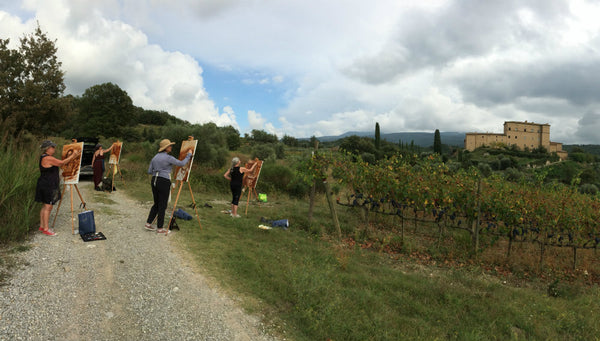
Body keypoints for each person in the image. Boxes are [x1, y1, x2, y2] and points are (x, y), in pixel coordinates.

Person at [145, 139, 192, 233]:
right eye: (170, 146)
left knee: (156, 203)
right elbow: (181, 163)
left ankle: (148, 224)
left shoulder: (155, 157)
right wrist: (189, 155)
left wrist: (158, 170)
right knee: (162, 205)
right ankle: (160, 228)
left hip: (154, 180)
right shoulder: (168, 158)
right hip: (163, 181)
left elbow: (149, 171)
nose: (171, 147)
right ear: (166, 148)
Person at [35, 140, 81, 236]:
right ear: (48, 148)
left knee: (45, 206)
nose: (54, 149)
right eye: (53, 147)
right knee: (48, 206)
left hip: (44, 183)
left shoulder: (45, 157)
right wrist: (73, 156)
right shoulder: (47, 158)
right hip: (48, 184)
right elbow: (61, 163)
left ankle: (42, 226)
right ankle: (46, 229)